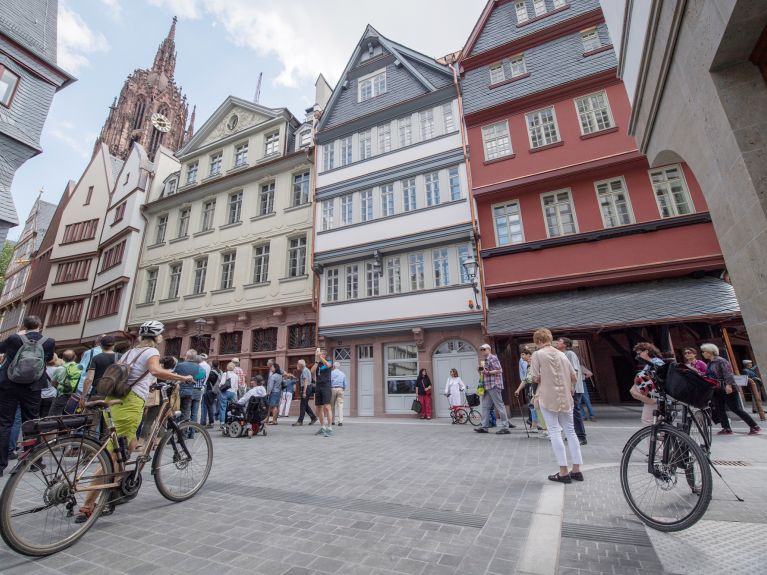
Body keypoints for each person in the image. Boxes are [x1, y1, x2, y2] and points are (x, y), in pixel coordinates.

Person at [75, 320, 193, 522]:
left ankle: (113, 493)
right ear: (157, 337)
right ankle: (88, 504)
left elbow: (135, 375)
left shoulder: (130, 352)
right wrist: (182, 378)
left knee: (125, 448)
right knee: (113, 455)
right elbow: (155, 371)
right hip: (129, 403)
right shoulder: (151, 352)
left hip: (115, 400)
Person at [529, 328, 583, 483]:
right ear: (550, 338)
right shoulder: (562, 355)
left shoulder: (537, 354)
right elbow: (573, 376)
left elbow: (535, 377)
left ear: (538, 341)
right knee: (571, 431)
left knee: (554, 431)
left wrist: (546, 376)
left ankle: (563, 471)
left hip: (547, 396)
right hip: (566, 397)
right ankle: (577, 469)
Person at [701, 343, 761, 435]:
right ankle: (726, 428)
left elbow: (728, 373)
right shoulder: (709, 363)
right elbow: (708, 376)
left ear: (710, 352)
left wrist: (729, 385)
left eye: (704, 351)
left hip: (727, 387)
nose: (703, 353)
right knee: (719, 409)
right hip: (716, 389)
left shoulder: (721, 361)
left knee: (735, 408)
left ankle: (754, 426)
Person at [474, 343, 512, 434]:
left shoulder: (493, 358)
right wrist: (480, 371)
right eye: (481, 350)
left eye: (484, 349)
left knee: (499, 406)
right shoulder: (486, 360)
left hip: (494, 385)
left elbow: (500, 370)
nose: (482, 351)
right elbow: (485, 373)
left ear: (489, 349)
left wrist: (487, 372)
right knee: (485, 407)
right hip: (487, 385)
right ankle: (484, 427)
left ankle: (505, 427)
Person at [555, 338, 587, 446]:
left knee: (575, 411)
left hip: (574, 388)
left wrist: (572, 386)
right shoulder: (561, 354)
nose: (557, 342)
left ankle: (581, 437)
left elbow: (575, 370)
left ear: (565, 344)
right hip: (567, 387)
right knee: (569, 412)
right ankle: (573, 435)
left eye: (559, 341)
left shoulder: (570, 354)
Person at [630, 342, 664, 424]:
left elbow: (660, 375)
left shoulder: (656, 361)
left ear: (646, 351)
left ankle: (652, 401)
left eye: (639, 353)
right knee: (655, 422)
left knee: (648, 421)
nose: (638, 356)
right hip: (652, 395)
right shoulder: (649, 364)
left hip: (655, 395)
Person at [81, 335, 119, 402]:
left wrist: (83, 397)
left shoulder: (96, 358)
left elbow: (89, 379)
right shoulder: (121, 357)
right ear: (114, 345)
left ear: (101, 345)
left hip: (97, 392)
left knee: (91, 412)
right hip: (114, 393)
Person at [175, 350, 205, 429]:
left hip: (179, 390)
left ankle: (173, 430)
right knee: (186, 412)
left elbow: (173, 375)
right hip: (190, 391)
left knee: (175, 411)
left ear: (186, 356)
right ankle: (183, 432)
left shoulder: (180, 365)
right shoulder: (198, 367)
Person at [48, 349, 81, 416]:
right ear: (75, 357)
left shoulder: (60, 368)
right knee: (70, 413)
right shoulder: (80, 367)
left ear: (63, 358)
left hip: (62, 394)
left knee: (54, 414)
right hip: (76, 395)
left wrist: (59, 387)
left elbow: (53, 382)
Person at [514, 349, 539, 430]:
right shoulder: (528, 366)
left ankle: (540, 426)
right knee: (532, 406)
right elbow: (525, 379)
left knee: (537, 407)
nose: (522, 357)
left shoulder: (534, 365)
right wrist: (518, 390)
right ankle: (534, 424)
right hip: (531, 388)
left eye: (523, 354)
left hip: (537, 389)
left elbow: (529, 379)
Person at [312, 348, 334, 437]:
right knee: (318, 407)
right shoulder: (318, 363)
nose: (316, 355)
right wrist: (317, 362)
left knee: (327, 406)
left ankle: (329, 428)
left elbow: (328, 365)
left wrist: (320, 357)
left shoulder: (329, 361)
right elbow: (312, 371)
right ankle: (322, 427)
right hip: (318, 386)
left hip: (326, 386)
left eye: (317, 353)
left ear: (323, 355)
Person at [293, 359, 317, 426]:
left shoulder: (305, 370)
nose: (297, 365)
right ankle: (313, 417)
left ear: (300, 365)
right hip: (307, 388)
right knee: (305, 404)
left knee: (303, 405)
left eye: (297, 364)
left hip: (306, 388)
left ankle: (300, 421)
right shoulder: (305, 370)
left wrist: (304, 392)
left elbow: (306, 381)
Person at [200, 360, 221, 428]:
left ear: (212, 365)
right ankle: (211, 422)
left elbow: (206, 380)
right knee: (211, 406)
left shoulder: (211, 373)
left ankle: (204, 422)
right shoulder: (220, 372)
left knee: (205, 406)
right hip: (216, 391)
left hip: (209, 390)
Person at [218, 362, 239, 431]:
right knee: (233, 408)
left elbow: (222, 383)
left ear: (227, 367)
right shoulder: (236, 376)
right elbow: (236, 387)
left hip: (225, 392)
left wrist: (219, 386)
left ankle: (222, 423)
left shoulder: (225, 374)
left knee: (223, 408)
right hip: (233, 393)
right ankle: (232, 421)